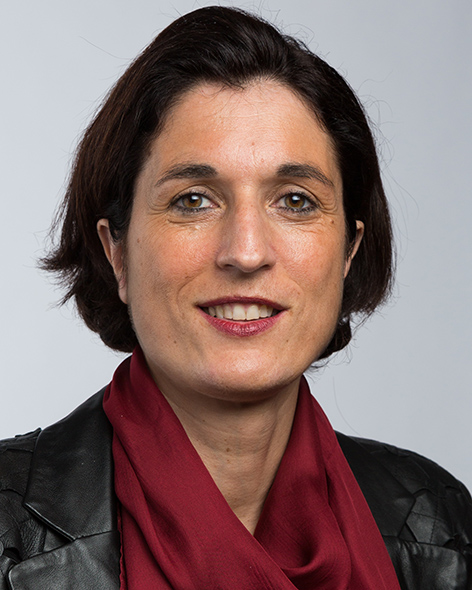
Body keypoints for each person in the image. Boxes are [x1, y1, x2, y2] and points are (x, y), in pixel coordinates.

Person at [0, 6, 470, 589]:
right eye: (194, 200)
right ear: (116, 251)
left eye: (295, 200)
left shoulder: (440, 525)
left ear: (348, 252)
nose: (246, 253)